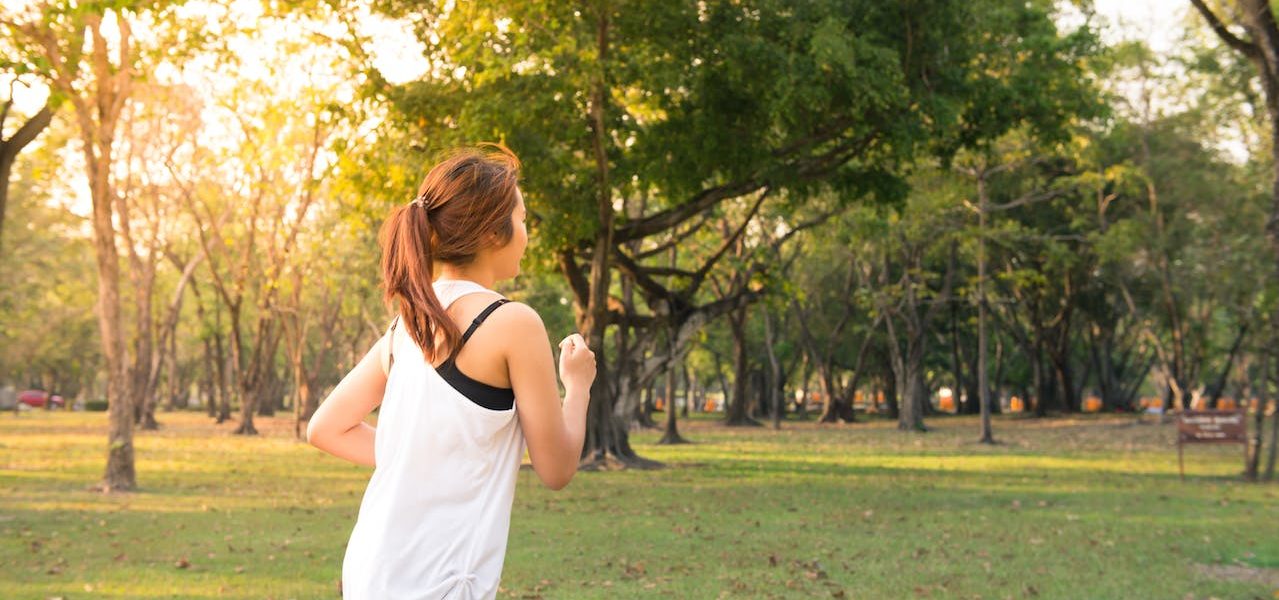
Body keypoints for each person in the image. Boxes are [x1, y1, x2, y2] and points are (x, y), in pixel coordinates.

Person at [306, 144, 596, 600]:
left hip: (371, 569)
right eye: (522, 221)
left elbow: (325, 428)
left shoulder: (408, 324)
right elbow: (556, 468)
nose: (527, 234)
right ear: (493, 234)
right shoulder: (513, 324)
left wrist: (421, 457)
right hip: (438, 578)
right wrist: (577, 387)